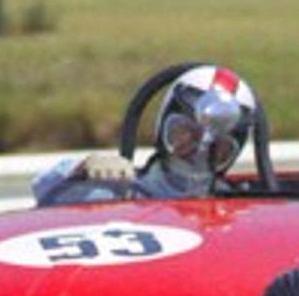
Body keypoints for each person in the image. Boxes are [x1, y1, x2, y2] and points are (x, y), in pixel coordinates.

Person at [33, 65, 258, 205]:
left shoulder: (242, 208)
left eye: (217, 149)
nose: (198, 152)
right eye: (186, 133)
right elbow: (43, 191)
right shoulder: (120, 192)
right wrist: (83, 168)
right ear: (163, 128)